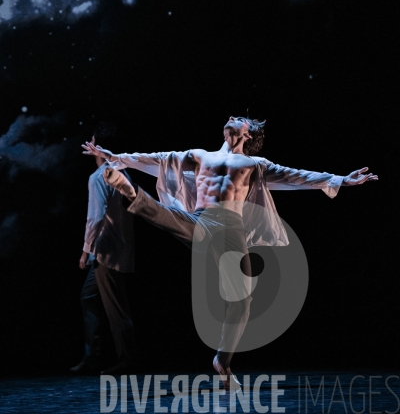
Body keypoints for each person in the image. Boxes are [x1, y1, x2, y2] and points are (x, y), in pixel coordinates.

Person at [82, 116, 378, 386]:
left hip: (231, 230)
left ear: (248, 134)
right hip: (200, 219)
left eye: (240, 119)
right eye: (232, 117)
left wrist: (340, 179)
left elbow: (295, 175)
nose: (232, 118)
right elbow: (161, 159)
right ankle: (130, 191)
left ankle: (222, 361)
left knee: (242, 299)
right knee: (167, 217)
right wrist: (117, 158)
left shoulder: (255, 164)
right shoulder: (201, 156)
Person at [71, 123, 136, 375]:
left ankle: (127, 359)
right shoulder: (122, 172)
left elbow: (95, 217)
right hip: (113, 249)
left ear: (98, 148)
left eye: (92, 143)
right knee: (88, 297)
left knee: (116, 307)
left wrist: (85, 250)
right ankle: (94, 356)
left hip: (107, 252)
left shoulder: (100, 177)